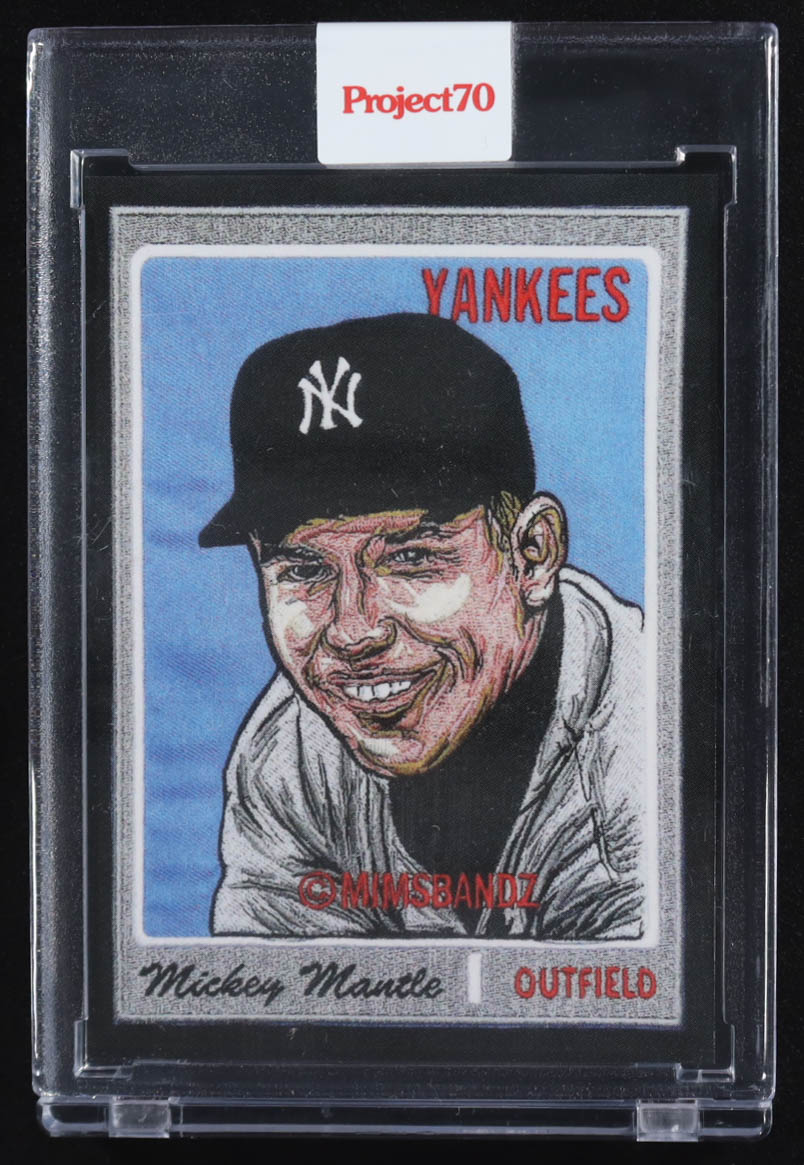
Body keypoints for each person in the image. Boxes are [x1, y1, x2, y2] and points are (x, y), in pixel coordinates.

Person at [200, 312, 646, 940]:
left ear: (533, 556)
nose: (353, 632)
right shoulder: (290, 759)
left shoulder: (653, 756)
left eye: (411, 559)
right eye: (303, 570)